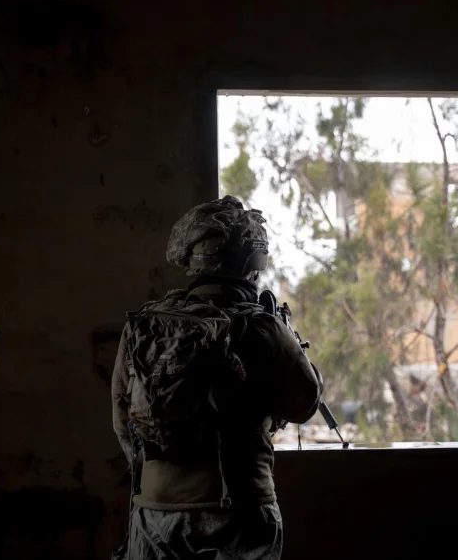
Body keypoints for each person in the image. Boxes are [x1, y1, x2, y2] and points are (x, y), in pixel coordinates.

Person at [110, 196, 322, 560]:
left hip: (155, 511)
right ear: (252, 262)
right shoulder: (261, 326)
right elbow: (305, 404)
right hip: (240, 509)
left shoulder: (145, 324)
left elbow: (122, 419)